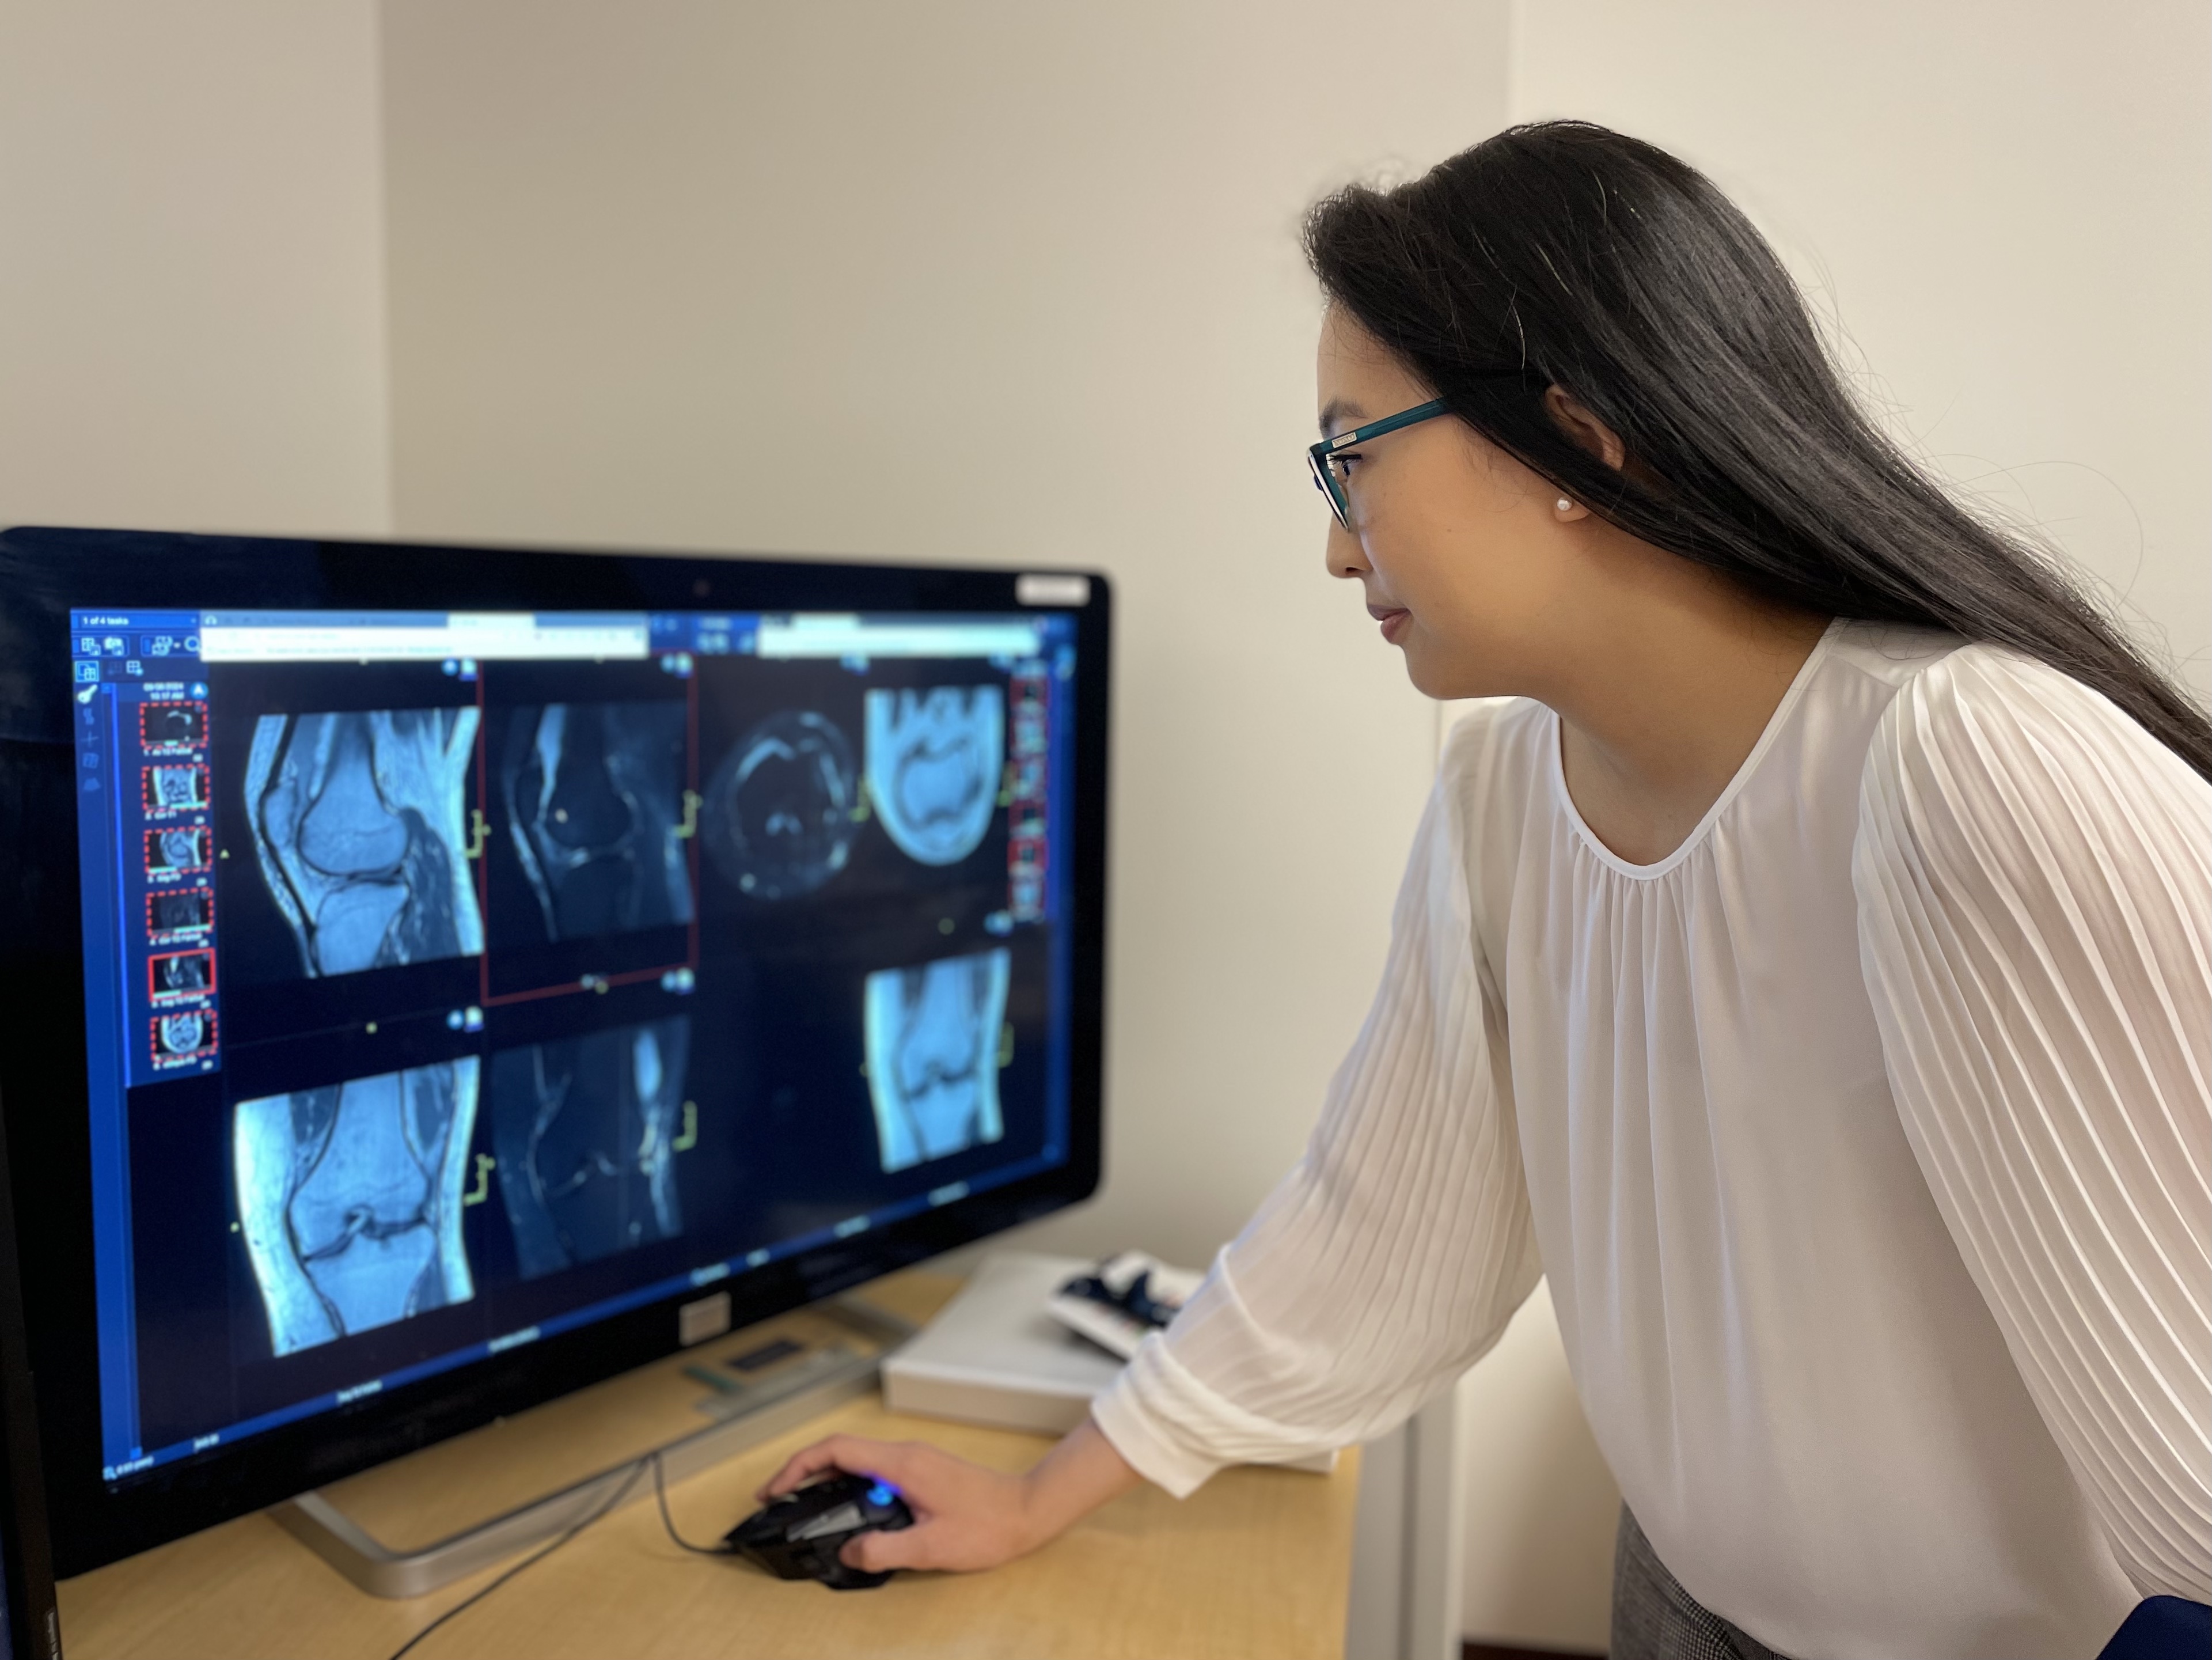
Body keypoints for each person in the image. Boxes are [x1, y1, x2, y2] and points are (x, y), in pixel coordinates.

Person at [766, 122, 2212, 1658]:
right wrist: (1041, 1493)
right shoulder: (1501, 792)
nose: (1337, 548)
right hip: (1680, 1601)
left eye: (1354, 456)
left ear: (1577, 445)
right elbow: (1379, 1226)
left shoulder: (1970, 770)